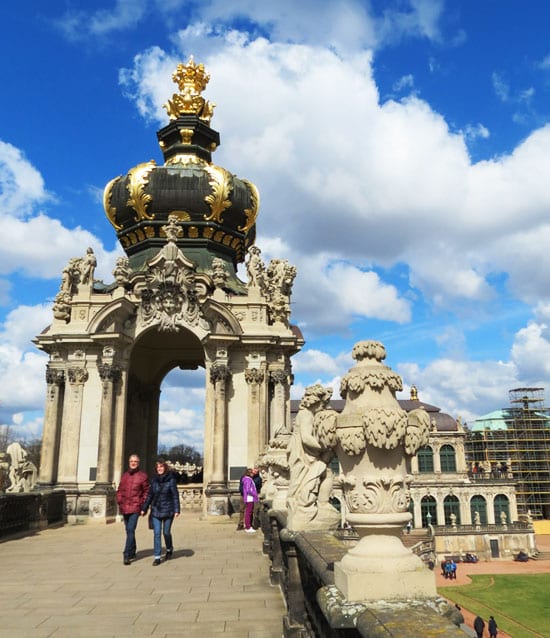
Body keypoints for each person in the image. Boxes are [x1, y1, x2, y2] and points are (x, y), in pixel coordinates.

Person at [141, 458, 181, 565]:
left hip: (168, 510)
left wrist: (177, 509)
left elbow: (175, 495)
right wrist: (144, 508)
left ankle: (169, 549)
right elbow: (149, 495)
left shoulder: (171, 480)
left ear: (165, 468)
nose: (159, 468)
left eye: (161, 466)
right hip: (156, 510)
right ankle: (157, 556)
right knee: (157, 533)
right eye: (158, 467)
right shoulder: (154, 481)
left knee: (166, 533)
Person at [116, 454, 150, 565]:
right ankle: (133, 549)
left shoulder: (143, 476)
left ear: (138, 463)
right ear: (129, 462)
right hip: (124, 506)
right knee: (128, 530)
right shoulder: (124, 476)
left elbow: (146, 492)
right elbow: (120, 490)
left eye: (135, 461)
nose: (133, 463)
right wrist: (119, 501)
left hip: (135, 507)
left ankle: (126, 554)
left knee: (130, 529)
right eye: (131, 461)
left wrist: (143, 506)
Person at [242, 468, 258, 533]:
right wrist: (254, 494)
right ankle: (248, 527)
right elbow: (248, 490)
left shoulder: (247, 479)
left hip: (249, 497)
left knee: (249, 512)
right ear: (249, 473)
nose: (253, 474)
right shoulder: (248, 479)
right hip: (250, 498)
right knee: (248, 512)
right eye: (252, 473)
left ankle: (248, 526)